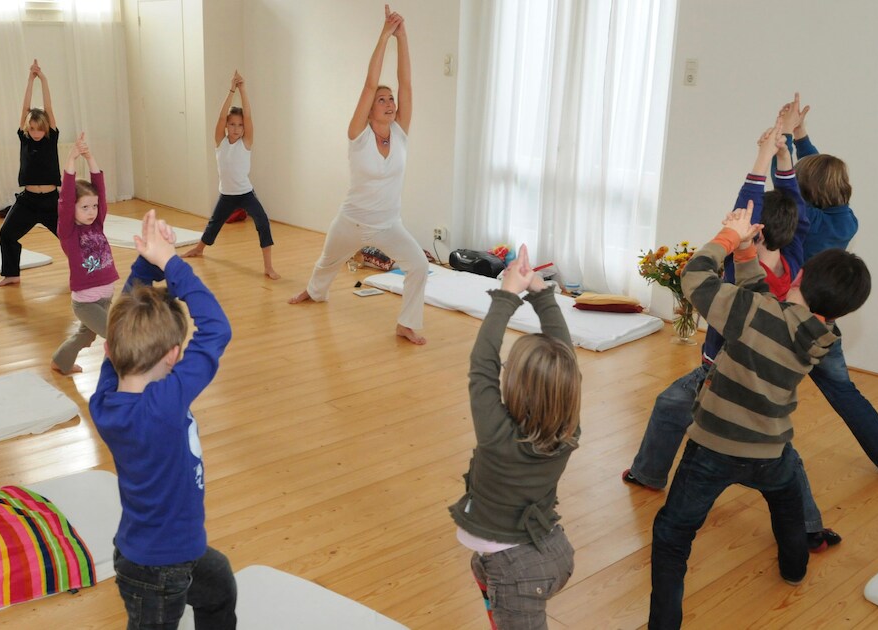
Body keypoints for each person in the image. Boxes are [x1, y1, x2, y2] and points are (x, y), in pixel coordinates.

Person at [625, 122, 846, 550]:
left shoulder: (739, 269)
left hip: (724, 374)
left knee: (671, 407)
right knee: (782, 454)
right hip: (772, 384)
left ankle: (646, 473)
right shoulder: (794, 259)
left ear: (753, 230)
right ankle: (808, 529)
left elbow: (745, 206)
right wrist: (784, 158)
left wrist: (764, 154)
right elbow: (795, 209)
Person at [648, 206, 872, 629]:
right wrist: (749, 252)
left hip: (713, 445)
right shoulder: (818, 336)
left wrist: (728, 238)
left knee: (673, 534)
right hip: (771, 447)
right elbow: (763, 304)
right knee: (787, 505)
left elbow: (694, 277)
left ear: (800, 277)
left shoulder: (755, 315)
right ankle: (794, 568)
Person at [90, 210, 236, 630]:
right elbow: (217, 329)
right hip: (158, 568)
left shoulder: (106, 397)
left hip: (164, 548)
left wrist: (146, 263)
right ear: (174, 356)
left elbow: (121, 319)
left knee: (220, 585)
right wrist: (171, 262)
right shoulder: (165, 405)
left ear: (110, 351)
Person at [776, 93, 878, 483]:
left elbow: (787, 181)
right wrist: (803, 137)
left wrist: (785, 139)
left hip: (785, 324)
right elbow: (817, 180)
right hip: (823, 327)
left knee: (743, 384)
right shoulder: (846, 220)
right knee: (846, 395)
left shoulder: (804, 221)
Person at [450, 244, 580, 629]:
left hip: (520, 573)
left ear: (514, 386)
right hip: (550, 549)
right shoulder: (569, 430)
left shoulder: (497, 436)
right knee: (481, 563)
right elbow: (565, 359)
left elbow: (480, 364)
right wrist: (540, 294)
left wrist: (507, 295)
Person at [289, 5, 429, 345]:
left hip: (388, 224)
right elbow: (369, 84)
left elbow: (406, 83)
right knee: (327, 262)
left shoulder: (400, 134)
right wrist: (383, 36)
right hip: (352, 219)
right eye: (382, 100)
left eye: (391, 98)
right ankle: (314, 292)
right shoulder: (358, 135)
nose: (389, 102)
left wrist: (403, 35)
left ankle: (406, 324)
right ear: (369, 110)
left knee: (419, 267)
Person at [182, 71, 279, 280]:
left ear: (245, 128)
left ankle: (268, 266)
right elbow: (220, 115)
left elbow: (249, 116)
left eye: (240, 125)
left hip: (245, 193)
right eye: (232, 124)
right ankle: (199, 249)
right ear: (226, 125)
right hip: (227, 194)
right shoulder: (221, 141)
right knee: (214, 223)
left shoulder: (246, 143)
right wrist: (231, 90)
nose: (236, 128)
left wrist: (243, 89)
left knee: (262, 221)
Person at [51, 134, 119, 375]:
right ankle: (127, 375)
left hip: (105, 296)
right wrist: (71, 159)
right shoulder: (69, 233)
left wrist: (90, 158)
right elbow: (66, 198)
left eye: (94, 206)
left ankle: (60, 361)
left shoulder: (97, 223)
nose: (91, 212)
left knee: (85, 337)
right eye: (84, 207)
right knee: (116, 335)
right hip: (86, 302)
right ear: (73, 209)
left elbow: (99, 186)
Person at [0, 59, 61, 287]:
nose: (35, 132)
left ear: (46, 127)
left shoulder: (51, 137)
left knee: (72, 238)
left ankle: (85, 274)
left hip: (52, 201)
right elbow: (24, 109)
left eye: (39, 128)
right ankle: (12, 274)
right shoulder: (24, 138)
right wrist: (29, 80)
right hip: (29, 201)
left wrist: (42, 78)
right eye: (31, 128)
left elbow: (48, 107)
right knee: (6, 234)